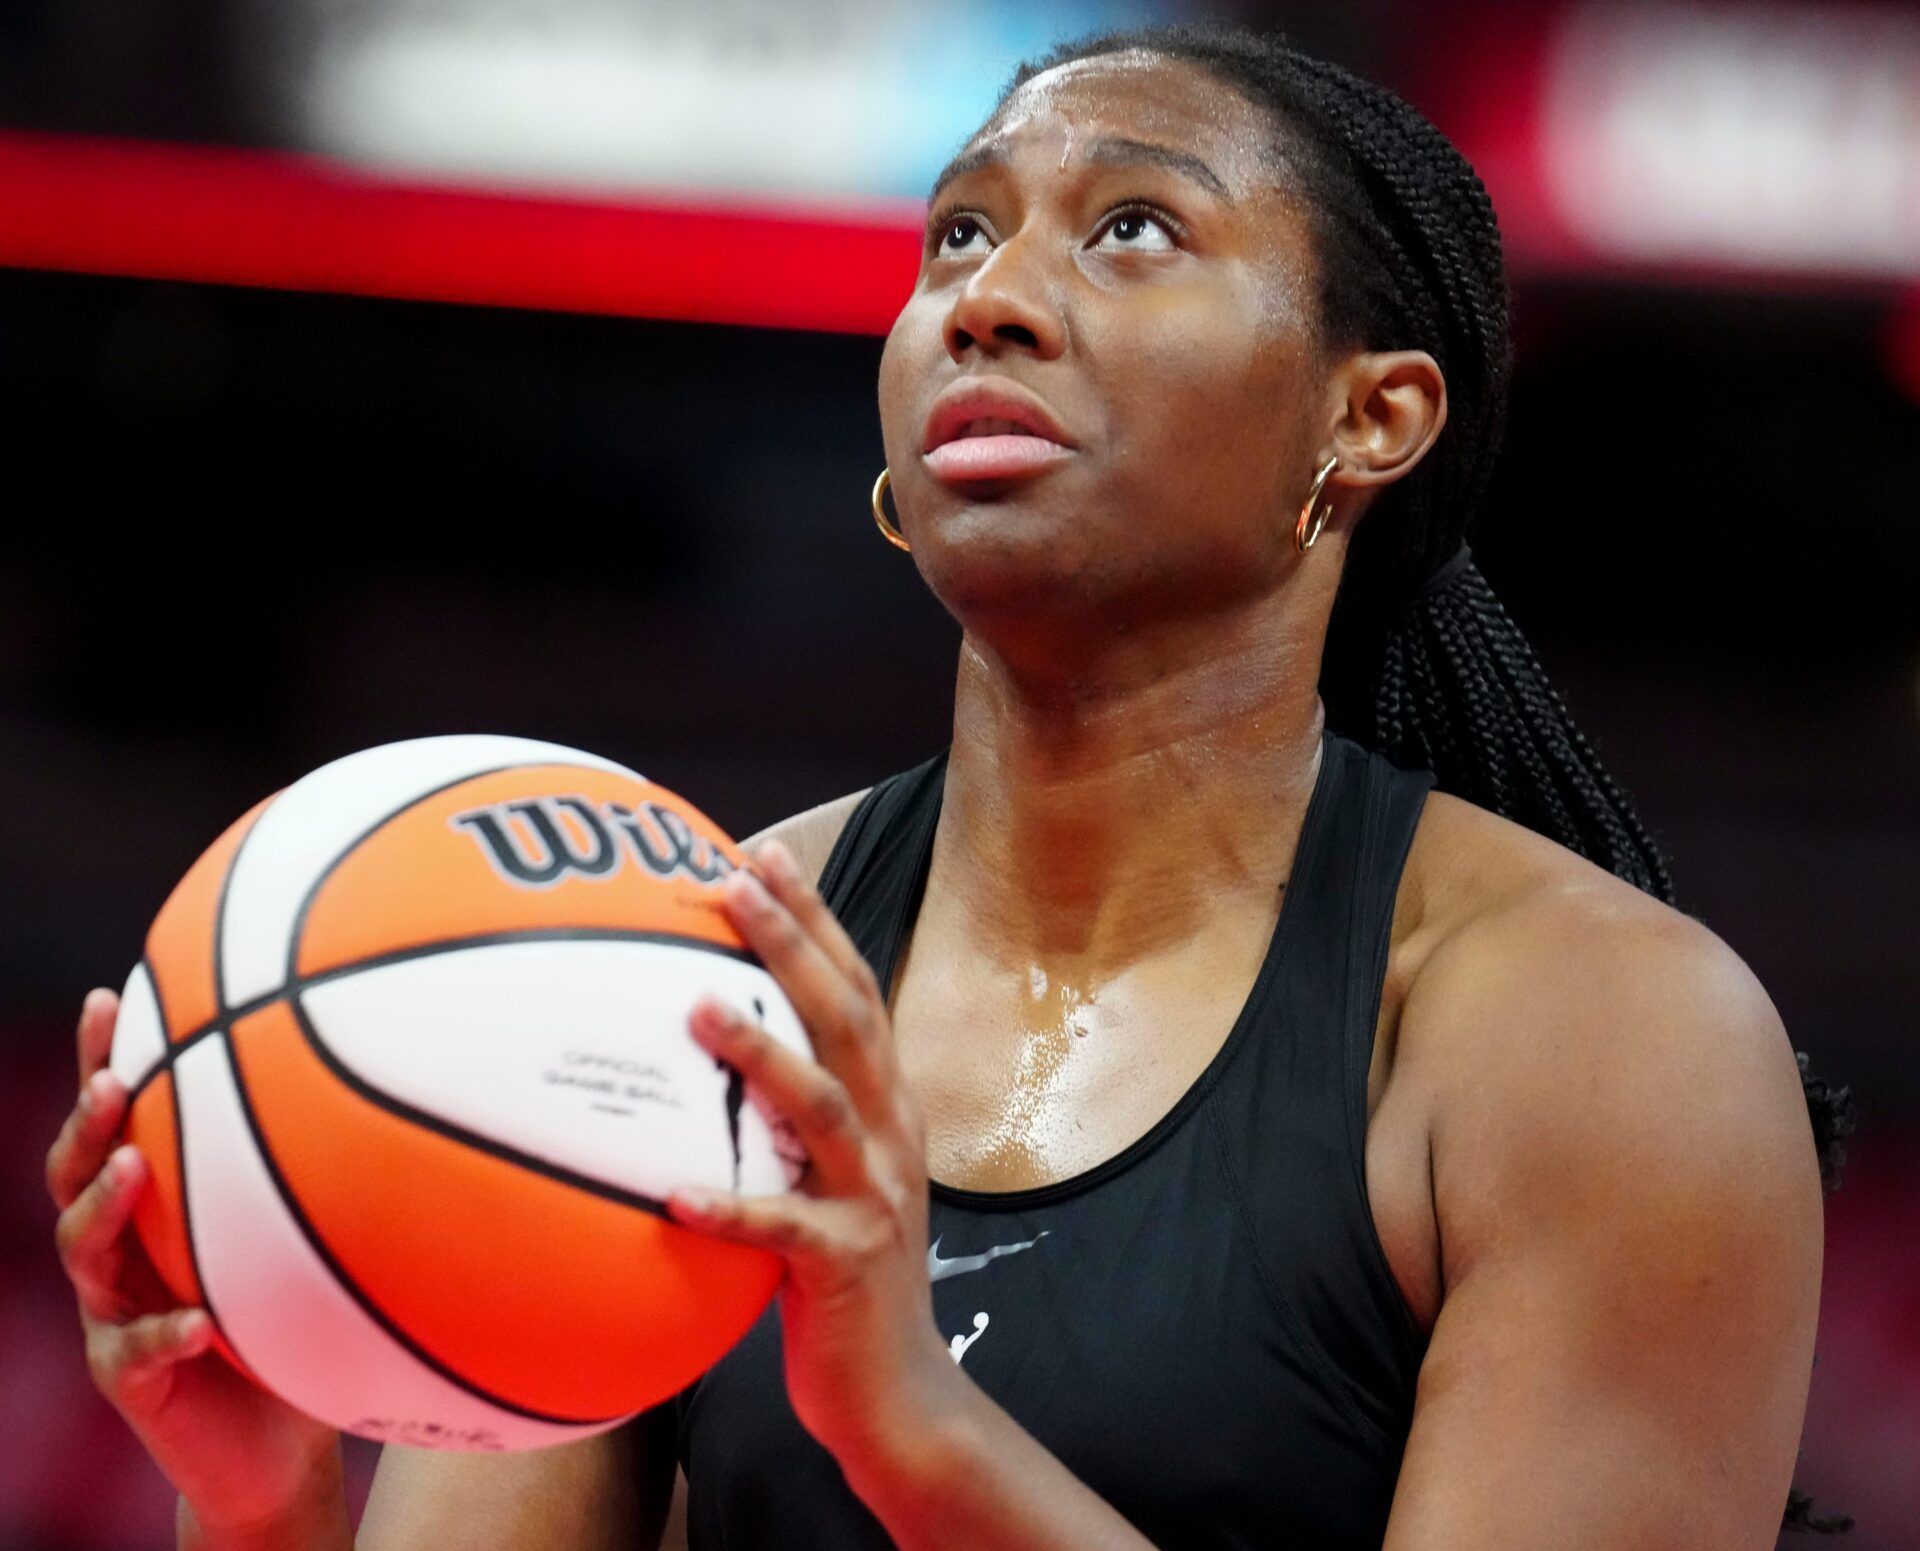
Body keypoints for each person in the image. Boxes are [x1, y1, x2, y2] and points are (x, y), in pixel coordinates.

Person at [46, 23, 1852, 1551]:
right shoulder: (666, 962)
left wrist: (915, 1428)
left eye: (1133, 228)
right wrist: (266, 1500)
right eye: (957, 237)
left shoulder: (1603, 1038)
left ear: (1366, 419)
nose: (987, 299)